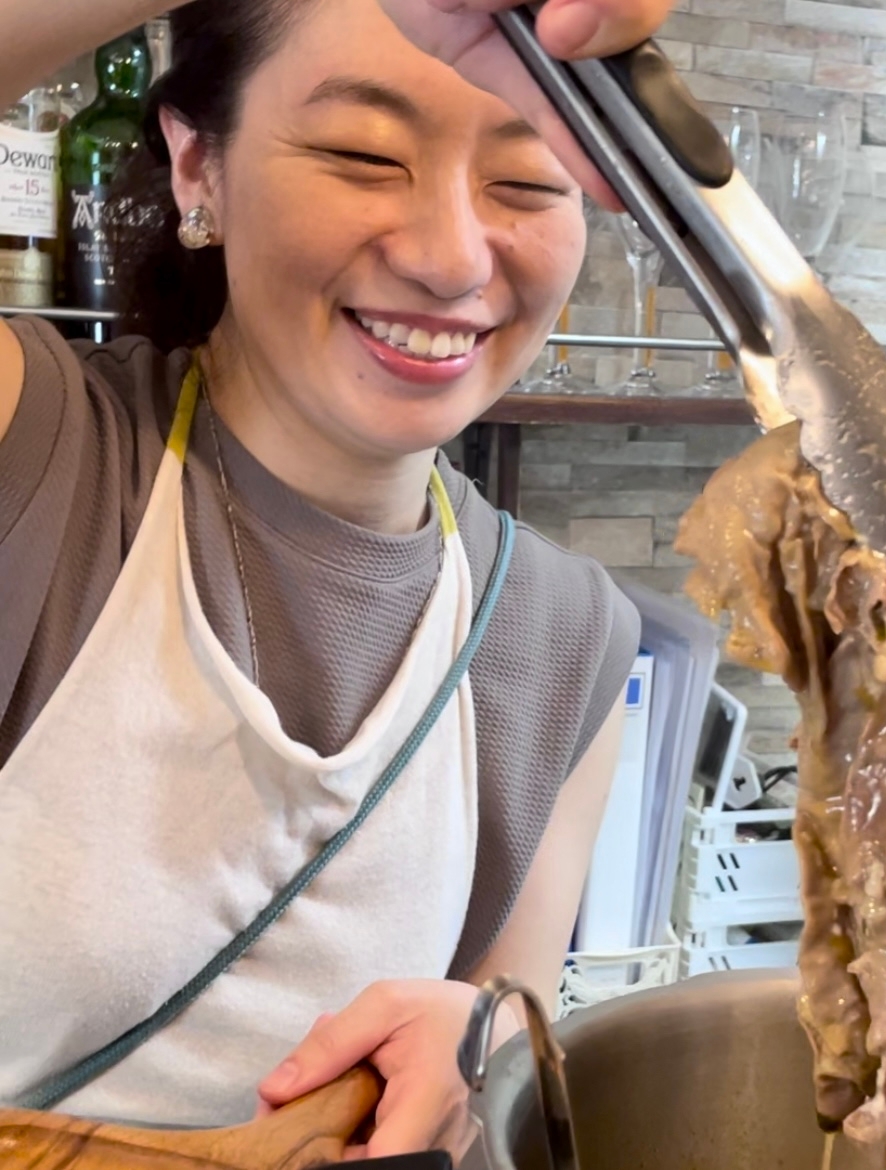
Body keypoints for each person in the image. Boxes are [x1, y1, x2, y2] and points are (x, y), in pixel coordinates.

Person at [0, 0, 671, 1155]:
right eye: (364, 156)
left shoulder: (561, 640)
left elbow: (498, 1075)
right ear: (197, 164)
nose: (450, 257)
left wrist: (475, 1054)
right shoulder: (44, 454)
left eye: (527, 180)